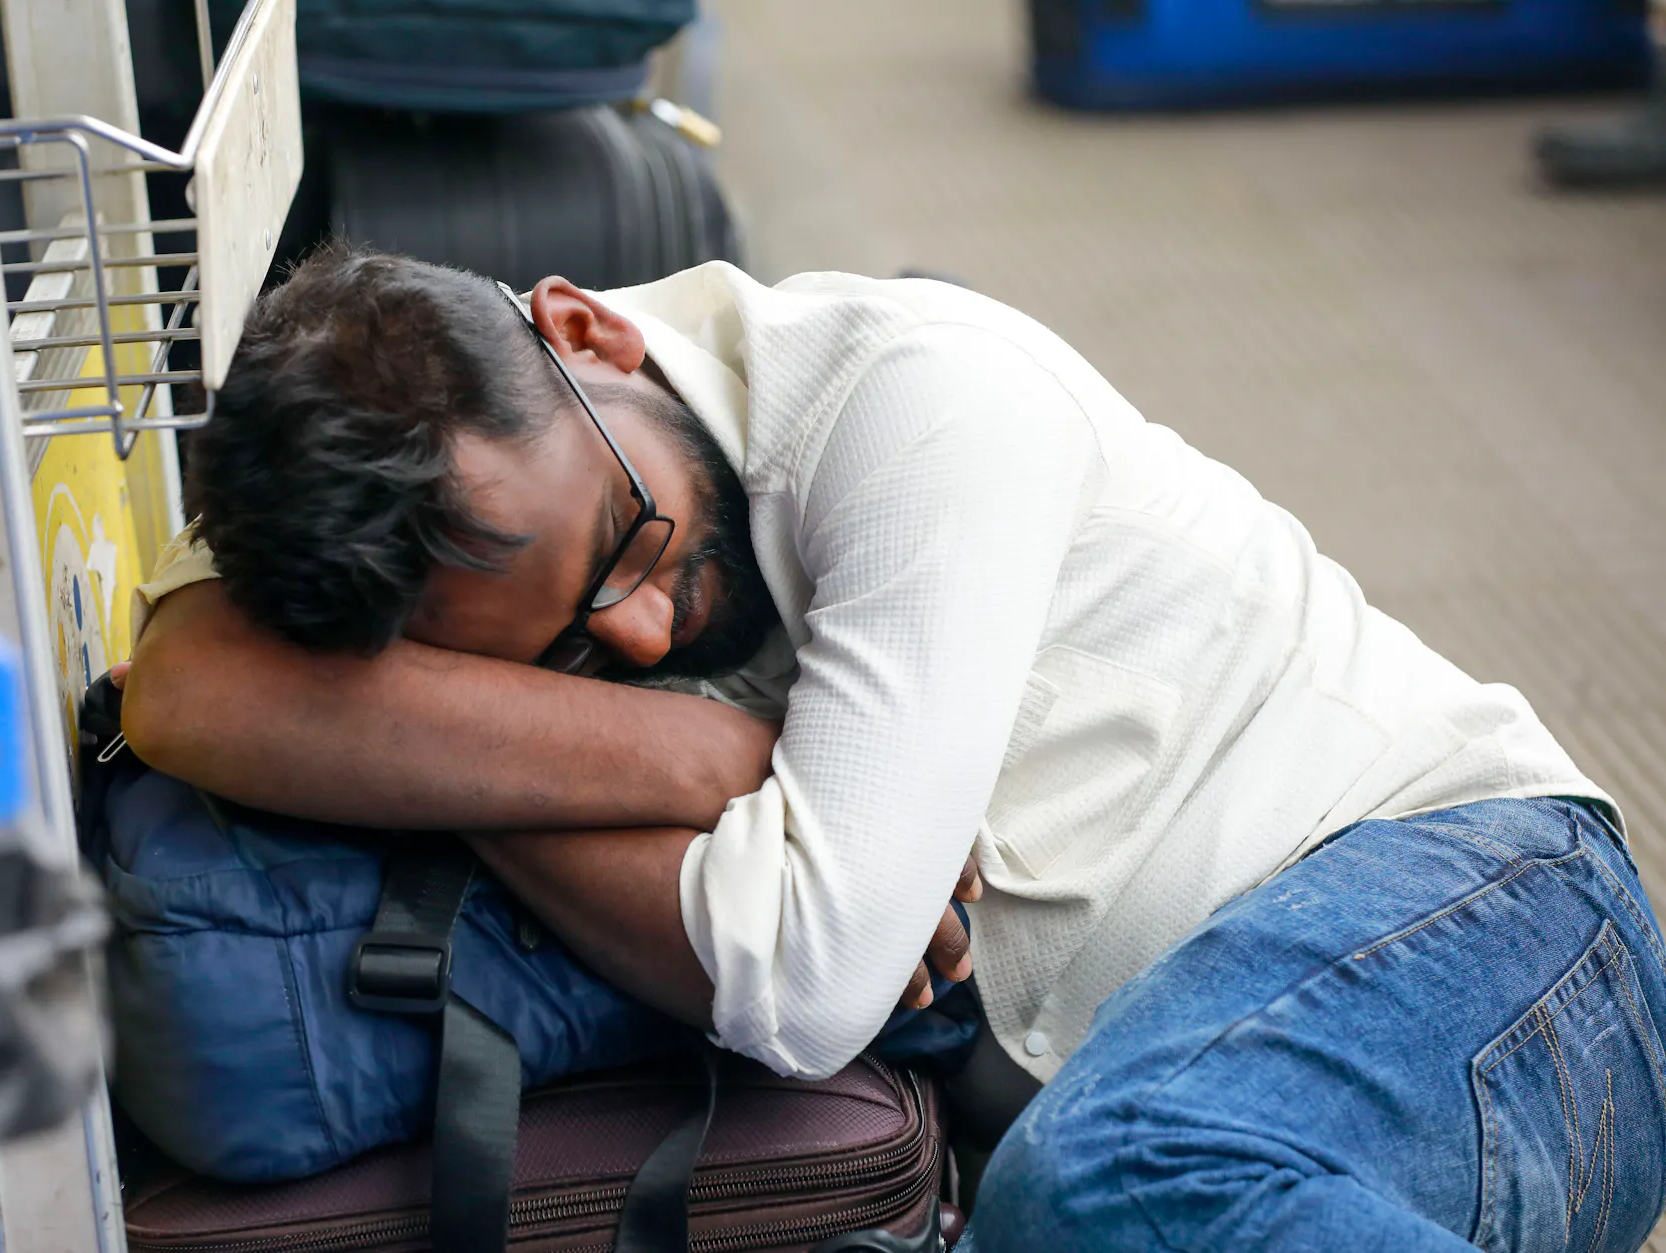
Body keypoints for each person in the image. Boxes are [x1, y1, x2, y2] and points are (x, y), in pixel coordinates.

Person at [121, 247, 1666, 1252]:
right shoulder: (484, 506)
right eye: (565, 653)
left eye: (625, 546)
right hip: (1238, 1090)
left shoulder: (913, 403)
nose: (646, 635)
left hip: (1486, 933)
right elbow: (184, 688)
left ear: (586, 329)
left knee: (1105, 1188)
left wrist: (447, 748)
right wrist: (711, 765)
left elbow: (804, 978)